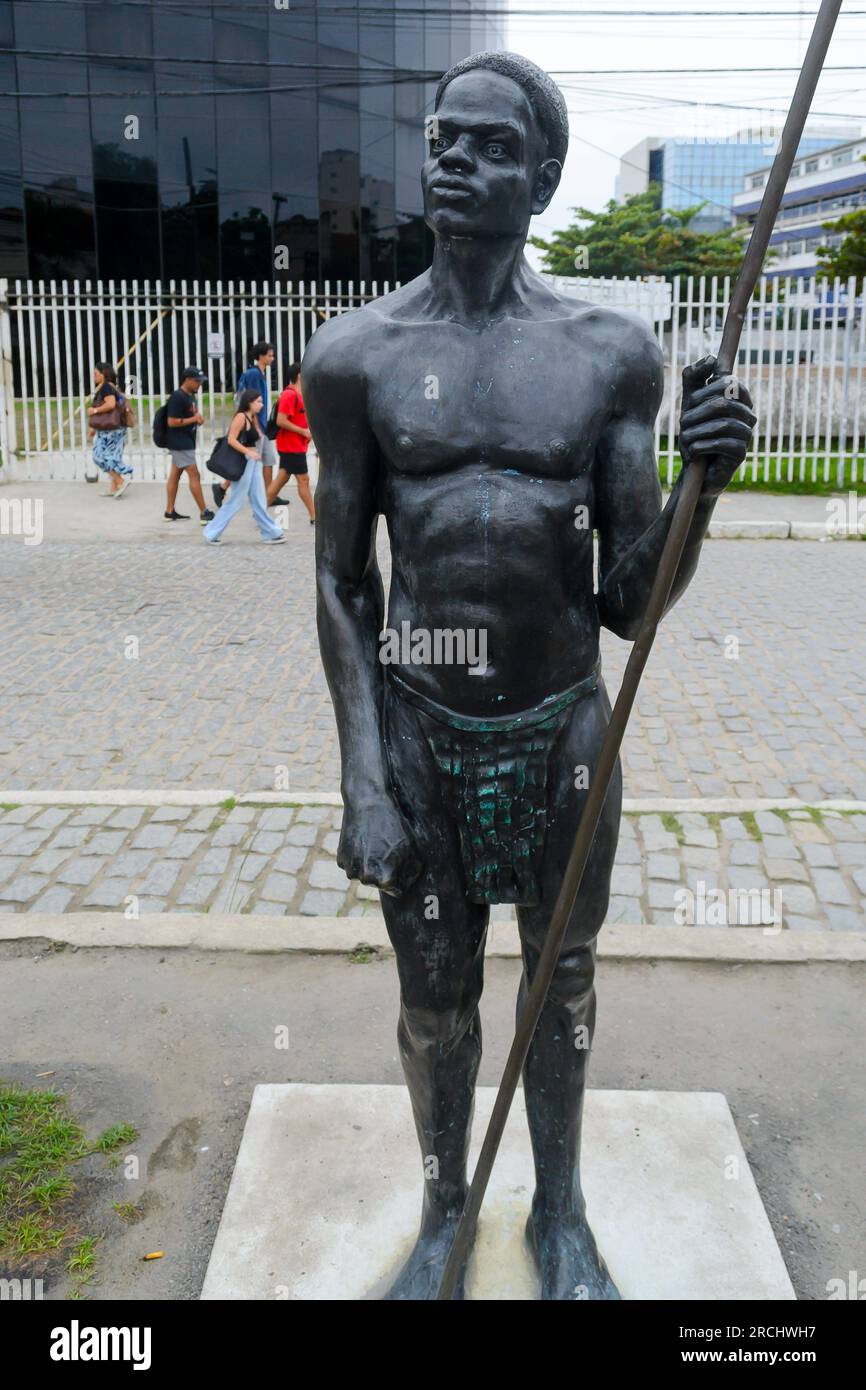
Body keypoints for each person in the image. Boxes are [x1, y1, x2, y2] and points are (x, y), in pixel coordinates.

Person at [306, 51, 756, 1300]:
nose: (453, 159)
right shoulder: (354, 358)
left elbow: (626, 601)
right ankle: (445, 1206)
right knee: (434, 993)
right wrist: (361, 777)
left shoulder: (609, 357)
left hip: (561, 727)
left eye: (489, 146)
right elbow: (341, 581)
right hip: (417, 727)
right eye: (443, 138)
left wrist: (695, 493)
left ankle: (559, 1213)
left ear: (541, 177)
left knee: (559, 979)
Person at [202, 388, 286, 546]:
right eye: (259, 402)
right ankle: (211, 532)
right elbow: (231, 440)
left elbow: (259, 437)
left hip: (254, 462)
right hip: (245, 461)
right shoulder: (241, 417)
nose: (261, 405)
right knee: (236, 500)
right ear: (249, 402)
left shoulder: (252, 417)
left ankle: (271, 532)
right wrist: (249, 451)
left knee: (259, 499)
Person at [213, 341, 290, 510]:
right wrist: (257, 428)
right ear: (261, 356)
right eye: (270, 355)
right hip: (257, 427)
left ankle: (269, 494)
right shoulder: (255, 375)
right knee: (250, 462)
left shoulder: (257, 373)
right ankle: (223, 487)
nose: (273, 358)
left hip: (260, 426)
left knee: (266, 460)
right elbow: (251, 402)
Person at [164, 366, 215, 523]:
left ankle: (169, 511)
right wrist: (193, 419)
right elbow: (171, 421)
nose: (199, 384)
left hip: (186, 440)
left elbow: (192, 414)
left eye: (201, 381)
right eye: (197, 381)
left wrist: (197, 418)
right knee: (194, 474)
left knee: (175, 474)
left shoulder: (190, 396)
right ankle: (204, 512)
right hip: (180, 442)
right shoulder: (177, 397)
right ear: (187, 380)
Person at [268, 363, 315, 525]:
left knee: (281, 479)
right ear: (300, 375)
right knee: (304, 480)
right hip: (290, 446)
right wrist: (302, 431)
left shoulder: (299, 394)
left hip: (295, 445)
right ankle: (315, 517)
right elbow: (281, 420)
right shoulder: (289, 395)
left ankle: (259, 512)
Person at [88, 363, 132, 496]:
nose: (94, 376)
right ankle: (114, 487)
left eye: (96, 373)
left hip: (111, 429)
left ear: (103, 374)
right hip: (115, 427)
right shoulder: (113, 387)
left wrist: (94, 410)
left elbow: (111, 404)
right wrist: (95, 428)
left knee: (99, 456)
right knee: (112, 456)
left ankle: (120, 480)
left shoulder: (106, 387)